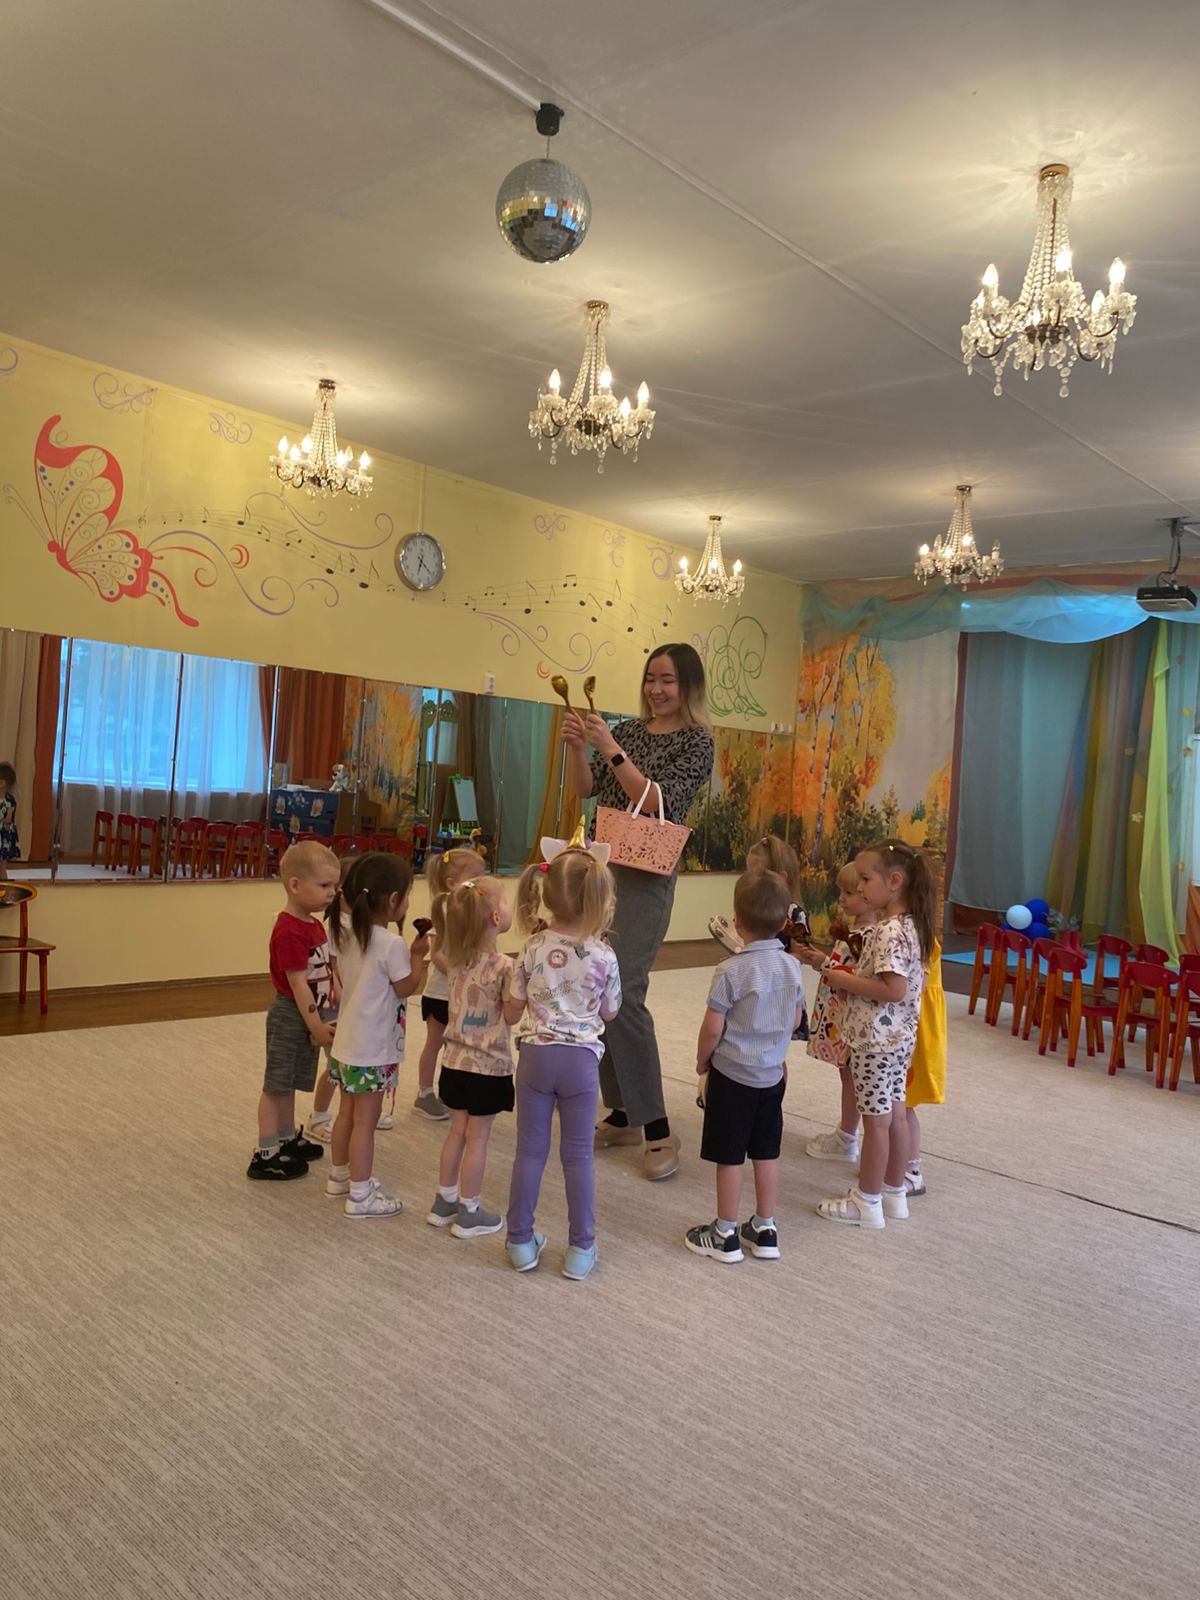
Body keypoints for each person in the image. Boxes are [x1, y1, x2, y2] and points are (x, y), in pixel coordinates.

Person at [563, 643, 714, 1182]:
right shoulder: (627, 730)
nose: (656, 689)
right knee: (595, 986)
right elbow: (589, 790)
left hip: (648, 877)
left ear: (687, 686)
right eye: (651, 678)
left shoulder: (697, 741)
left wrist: (610, 748)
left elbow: (656, 802)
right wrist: (578, 749)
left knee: (625, 993)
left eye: (667, 680)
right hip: (602, 871)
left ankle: (657, 1127)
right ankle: (623, 1111)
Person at [798, 839, 937, 1230]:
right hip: (897, 1040)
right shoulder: (911, 925)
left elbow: (892, 989)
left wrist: (841, 978)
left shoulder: (888, 931)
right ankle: (893, 1194)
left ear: (894, 882)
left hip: (874, 1042)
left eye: (864, 879)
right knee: (894, 1116)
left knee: (876, 1123)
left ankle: (867, 1200)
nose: (859, 888)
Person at [503, 848, 622, 1280]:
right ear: (598, 899)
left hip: (535, 1059)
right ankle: (580, 1248)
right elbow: (611, 1012)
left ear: (547, 896)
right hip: (581, 1064)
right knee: (578, 1158)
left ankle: (520, 1241)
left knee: (529, 1153)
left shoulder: (531, 947)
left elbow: (511, 1010)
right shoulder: (604, 956)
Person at [685, 870, 805, 1264]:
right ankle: (765, 1228)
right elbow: (794, 1019)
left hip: (732, 1076)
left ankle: (725, 1233)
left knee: (730, 1155)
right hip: (772, 1075)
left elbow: (712, 1027)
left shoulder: (730, 970)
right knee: (767, 1151)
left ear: (736, 921)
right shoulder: (792, 967)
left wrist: (702, 1060)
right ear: (784, 922)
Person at [324, 854, 430, 1218]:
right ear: (393, 899)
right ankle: (360, 1195)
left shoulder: (347, 934)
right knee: (365, 1124)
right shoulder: (390, 943)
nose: (409, 903)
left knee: (346, 1114)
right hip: (372, 1049)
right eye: (407, 895)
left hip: (347, 1044)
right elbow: (405, 987)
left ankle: (339, 1176)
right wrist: (418, 957)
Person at [426, 876, 515, 1239]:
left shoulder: (455, 961)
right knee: (478, 1138)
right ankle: (469, 1210)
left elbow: (438, 956)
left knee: (457, 1132)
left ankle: (443, 1201)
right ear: (496, 918)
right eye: (505, 902)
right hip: (487, 1068)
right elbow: (512, 1016)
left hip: (453, 1064)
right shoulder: (505, 966)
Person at [249, 839, 340, 1182]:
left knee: (290, 1082)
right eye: (324, 885)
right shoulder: (288, 930)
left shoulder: (314, 925)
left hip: (310, 1015)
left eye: (334, 885)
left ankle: (287, 1138)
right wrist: (315, 1025)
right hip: (291, 1015)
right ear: (295, 885)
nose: (331, 893)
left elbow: (326, 970)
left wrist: (336, 998)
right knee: (276, 1084)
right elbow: (299, 984)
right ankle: (266, 1153)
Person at [803, 861, 879, 1165]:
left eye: (849, 893)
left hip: (853, 1019)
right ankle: (846, 1133)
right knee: (846, 1074)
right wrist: (822, 961)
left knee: (852, 1077)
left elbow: (857, 978)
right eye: (841, 892)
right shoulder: (855, 931)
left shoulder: (869, 936)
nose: (842, 899)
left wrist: (825, 964)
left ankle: (848, 1136)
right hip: (841, 1016)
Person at [708, 833, 811, 1040]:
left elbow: (800, 955)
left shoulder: (795, 914)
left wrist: (771, 961)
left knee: (775, 1038)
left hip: (778, 985)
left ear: (781, 878)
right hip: (751, 981)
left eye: (758, 873)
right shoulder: (752, 908)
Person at [417, 847, 487, 1122]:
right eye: (475, 876)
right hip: (440, 994)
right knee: (434, 1043)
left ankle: (450, 1092)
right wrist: (458, 976)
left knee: (456, 1045)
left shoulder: (473, 908)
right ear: (451, 883)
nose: (481, 881)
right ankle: (424, 1093)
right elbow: (437, 954)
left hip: (462, 993)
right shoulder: (444, 908)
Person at [0, 762, 19, 881]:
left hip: (4, 835)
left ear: (2, 783)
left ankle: (4, 882)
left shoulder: (10, 800)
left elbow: (8, 819)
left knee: (2, 865)